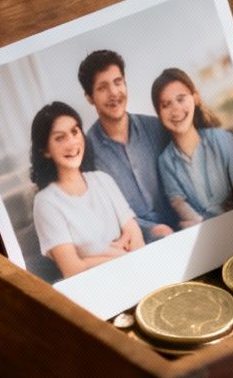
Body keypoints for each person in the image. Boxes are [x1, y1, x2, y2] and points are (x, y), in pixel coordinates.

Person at [27, 102, 145, 278]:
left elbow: (135, 235)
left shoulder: (102, 179)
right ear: (45, 151)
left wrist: (92, 258)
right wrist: (120, 256)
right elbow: (72, 270)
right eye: (60, 138)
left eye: (75, 132)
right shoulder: (45, 202)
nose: (72, 142)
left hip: (137, 272)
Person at [75, 49, 177, 240]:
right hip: (135, 242)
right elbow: (104, 214)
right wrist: (151, 230)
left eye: (118, 82)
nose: (114, 92)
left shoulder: (157, 127)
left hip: (181, 226)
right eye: (103, 87)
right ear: (89, 97)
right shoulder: (85, 153)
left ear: (125, 83)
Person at [152, 68, 233, 226]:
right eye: (166, 105)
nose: (175, 109)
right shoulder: (165, 161)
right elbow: (178, 203)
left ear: (195, 99)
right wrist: (200, 223)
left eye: (181, 99)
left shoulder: (223, 139)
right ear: (159, 114)